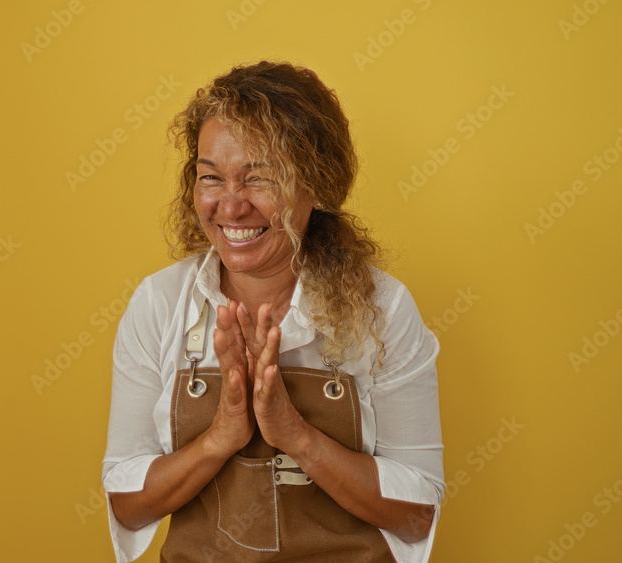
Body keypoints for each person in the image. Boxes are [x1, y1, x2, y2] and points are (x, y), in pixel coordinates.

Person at [102, 61, 444, 562]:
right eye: (211, 178)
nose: (231, 206)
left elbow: (417, 515)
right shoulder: (158, 304)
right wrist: (220, 437)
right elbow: (128, 508)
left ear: (320, 185)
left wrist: (295, 434)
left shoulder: (383, 310)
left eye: (259, 178)